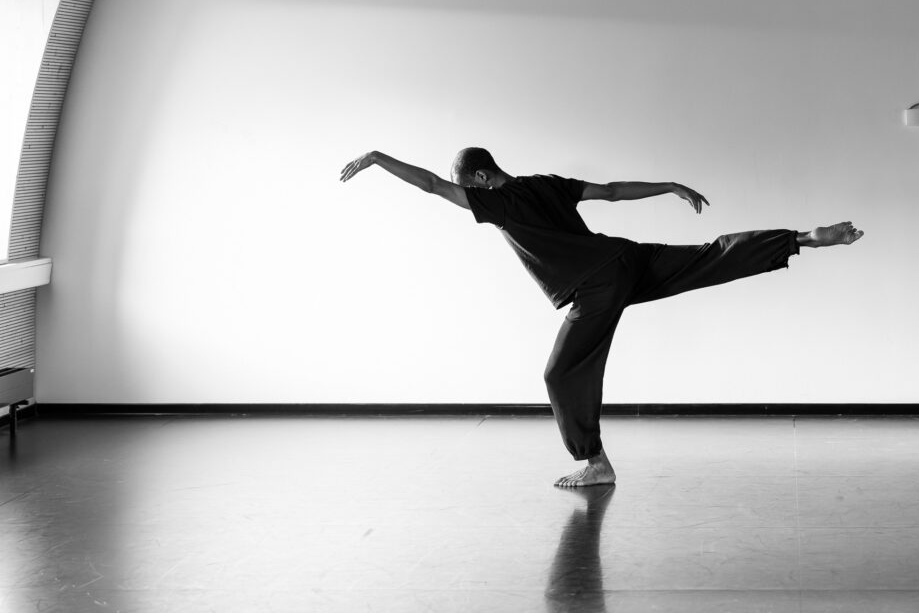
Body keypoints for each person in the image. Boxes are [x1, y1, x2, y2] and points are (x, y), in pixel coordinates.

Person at [340, 147, 863, 487]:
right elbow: (611, 193)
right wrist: (669, 186)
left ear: (480, 177)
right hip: (626, 258)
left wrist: (380, 159)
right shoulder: (547, 182)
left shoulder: (493, 202)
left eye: (470, 187)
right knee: (707, 256)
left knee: (560, 372)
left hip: (596, 283)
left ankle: (594, 462)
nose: (469, 195)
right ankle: (800, 239)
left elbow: (432, 185)